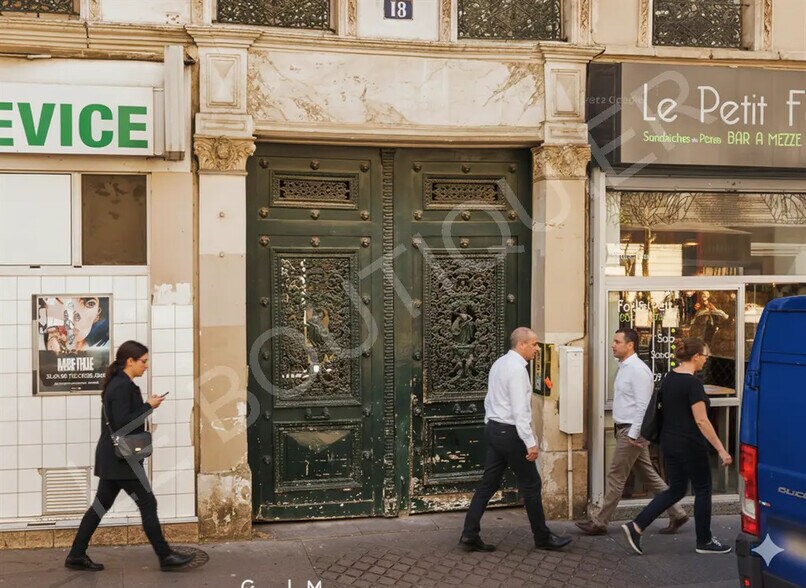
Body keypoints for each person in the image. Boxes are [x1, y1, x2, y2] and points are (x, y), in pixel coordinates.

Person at [65, 340, 195, 572]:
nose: (146, 366)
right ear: (130, 361)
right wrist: (149, 406)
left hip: (113, 456)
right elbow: (123, 423)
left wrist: (146, 405)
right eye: (143, 361)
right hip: (121, 459)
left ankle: (76, 555)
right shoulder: (122, 386)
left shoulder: (120, 383)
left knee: (100, 506)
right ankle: (165, 556)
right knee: (147, 502)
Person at [459, 327, 572, 552]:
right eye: (534, 344)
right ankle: (542, 538)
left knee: (488, 484)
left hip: (494, 429)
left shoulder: (499, 364)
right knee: (531, 484)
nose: (537, 349)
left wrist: (491, 424)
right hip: (510, 433)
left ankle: (469, 534)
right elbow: (520, 411)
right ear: (521, 344)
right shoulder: (518, 370)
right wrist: (530, 442)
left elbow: (489, 400)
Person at [621, 337, 733, 556]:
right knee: (703, 489)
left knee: (676, 490)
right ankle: (705, 540)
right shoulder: (693, 384)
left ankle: (636, 526)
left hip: (670, 443)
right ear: (696, 356)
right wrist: (721, 449)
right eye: (705, 356)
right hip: (690, 444)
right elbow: (701, 421)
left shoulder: (670, 378)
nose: (706, 360)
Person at [576, 329, 688, 535]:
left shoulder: (637, 370)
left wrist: (634, 434)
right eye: (613, 341)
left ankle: (600, 522)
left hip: (631, 431)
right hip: (627, 430)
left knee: (616, 476)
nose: (612, 345)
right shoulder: (625, 367)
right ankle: (678, 513)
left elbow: (643, 406)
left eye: (617, 342)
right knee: (649, 475)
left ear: (630, 345)